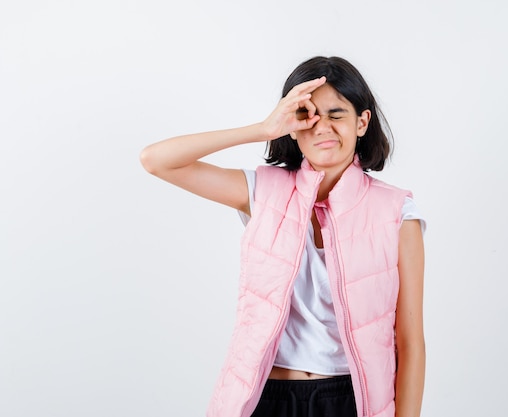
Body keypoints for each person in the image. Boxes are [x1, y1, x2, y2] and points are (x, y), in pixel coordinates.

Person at [140, 56, 426, 417]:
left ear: (361, 122)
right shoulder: (263, 191)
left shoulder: (397, 212)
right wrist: (262, 129)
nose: (322, 128)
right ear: (291, 126)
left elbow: (411, 341)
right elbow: (156, 160)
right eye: (307, 116)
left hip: (350, 399)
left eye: (336, 114)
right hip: (265, 396)